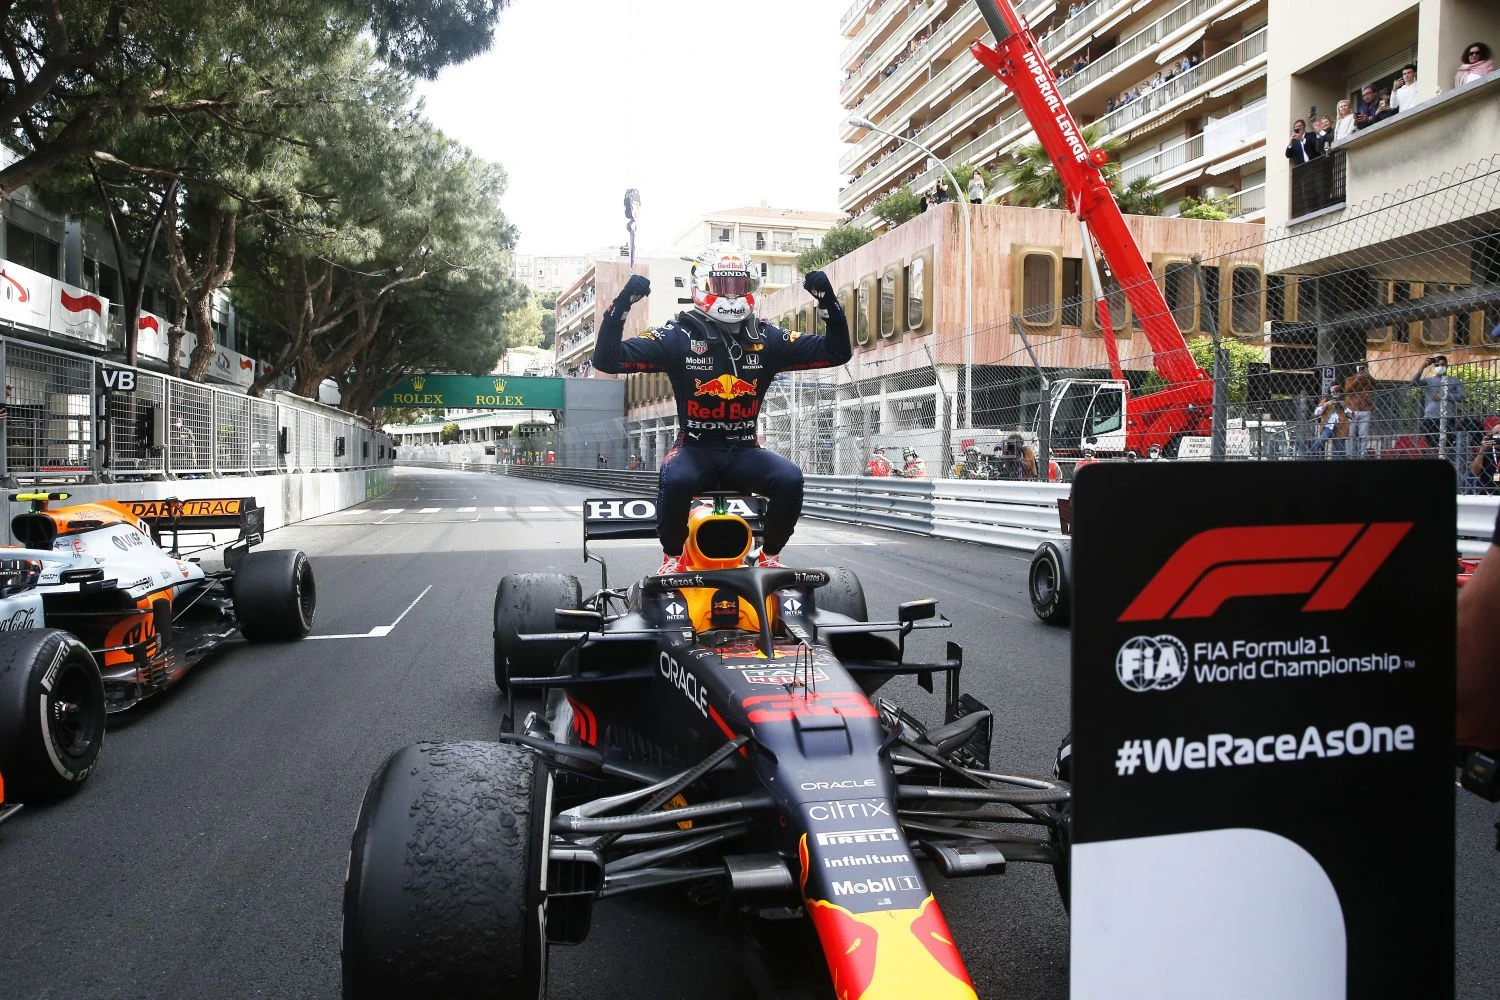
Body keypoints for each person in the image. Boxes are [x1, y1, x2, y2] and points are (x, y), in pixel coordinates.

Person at [592, 242, 850, 573]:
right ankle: (672, 559)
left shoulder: (768, 337)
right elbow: (607, 360)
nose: (731, 295)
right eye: (722, 285)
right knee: (676, 479)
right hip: (694, 448)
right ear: (702, 286)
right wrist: (622, 304)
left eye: (738, 285)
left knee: (790, 478)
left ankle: (769, 554)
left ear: (751, 286)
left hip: (744, 450)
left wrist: (828, 302)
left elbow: (837, 352)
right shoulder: (677, 335)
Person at [1411, 355, 1465, 453]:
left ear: (1447, 365)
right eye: (1437, 365)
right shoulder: (1429, 380)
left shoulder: (1454, 381)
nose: (1440, 367)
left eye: (1442, 365)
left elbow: (1462, 397)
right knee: (1432, 446)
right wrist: (1423, 367)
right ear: (1434, 367)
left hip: (1448, 417)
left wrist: (1445, 395)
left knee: (1447, 446)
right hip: (1431, 418)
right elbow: (1414, 383)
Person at [1342, 362, 1376, 457]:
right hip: (1352, 410)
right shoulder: (1350, 379)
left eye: (1364, 367)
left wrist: (1369, 376)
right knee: (1350, 435)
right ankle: (1350, 456)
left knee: (1363, 435)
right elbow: (1348, 391)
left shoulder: (1369, 380)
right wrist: (1358, 378)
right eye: (1360, 367)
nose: (1362, 369)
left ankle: (1362, 456)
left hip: (1365, 411)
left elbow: (1374, 386)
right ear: (1356, 368)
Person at [1306, 389, 1350, 458]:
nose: (1335, 394)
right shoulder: (1326, 399)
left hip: (1340, 428)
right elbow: (1316, 412)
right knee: (1321, 440)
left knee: (1337, 450)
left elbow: (1351, 414)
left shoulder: (1344, 401)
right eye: (1333, 392)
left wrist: (1343, 405)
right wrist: (1326, 404)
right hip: (1328, 426)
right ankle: (1308, 454)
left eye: (1337, 392)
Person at [1470, 425, 1500, 493]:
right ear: (1491, 436)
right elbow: (1475, 472)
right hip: (1489, 494)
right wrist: (1482, 450)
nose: (1498, 436)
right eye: (1496, 433)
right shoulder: (1486, 451)